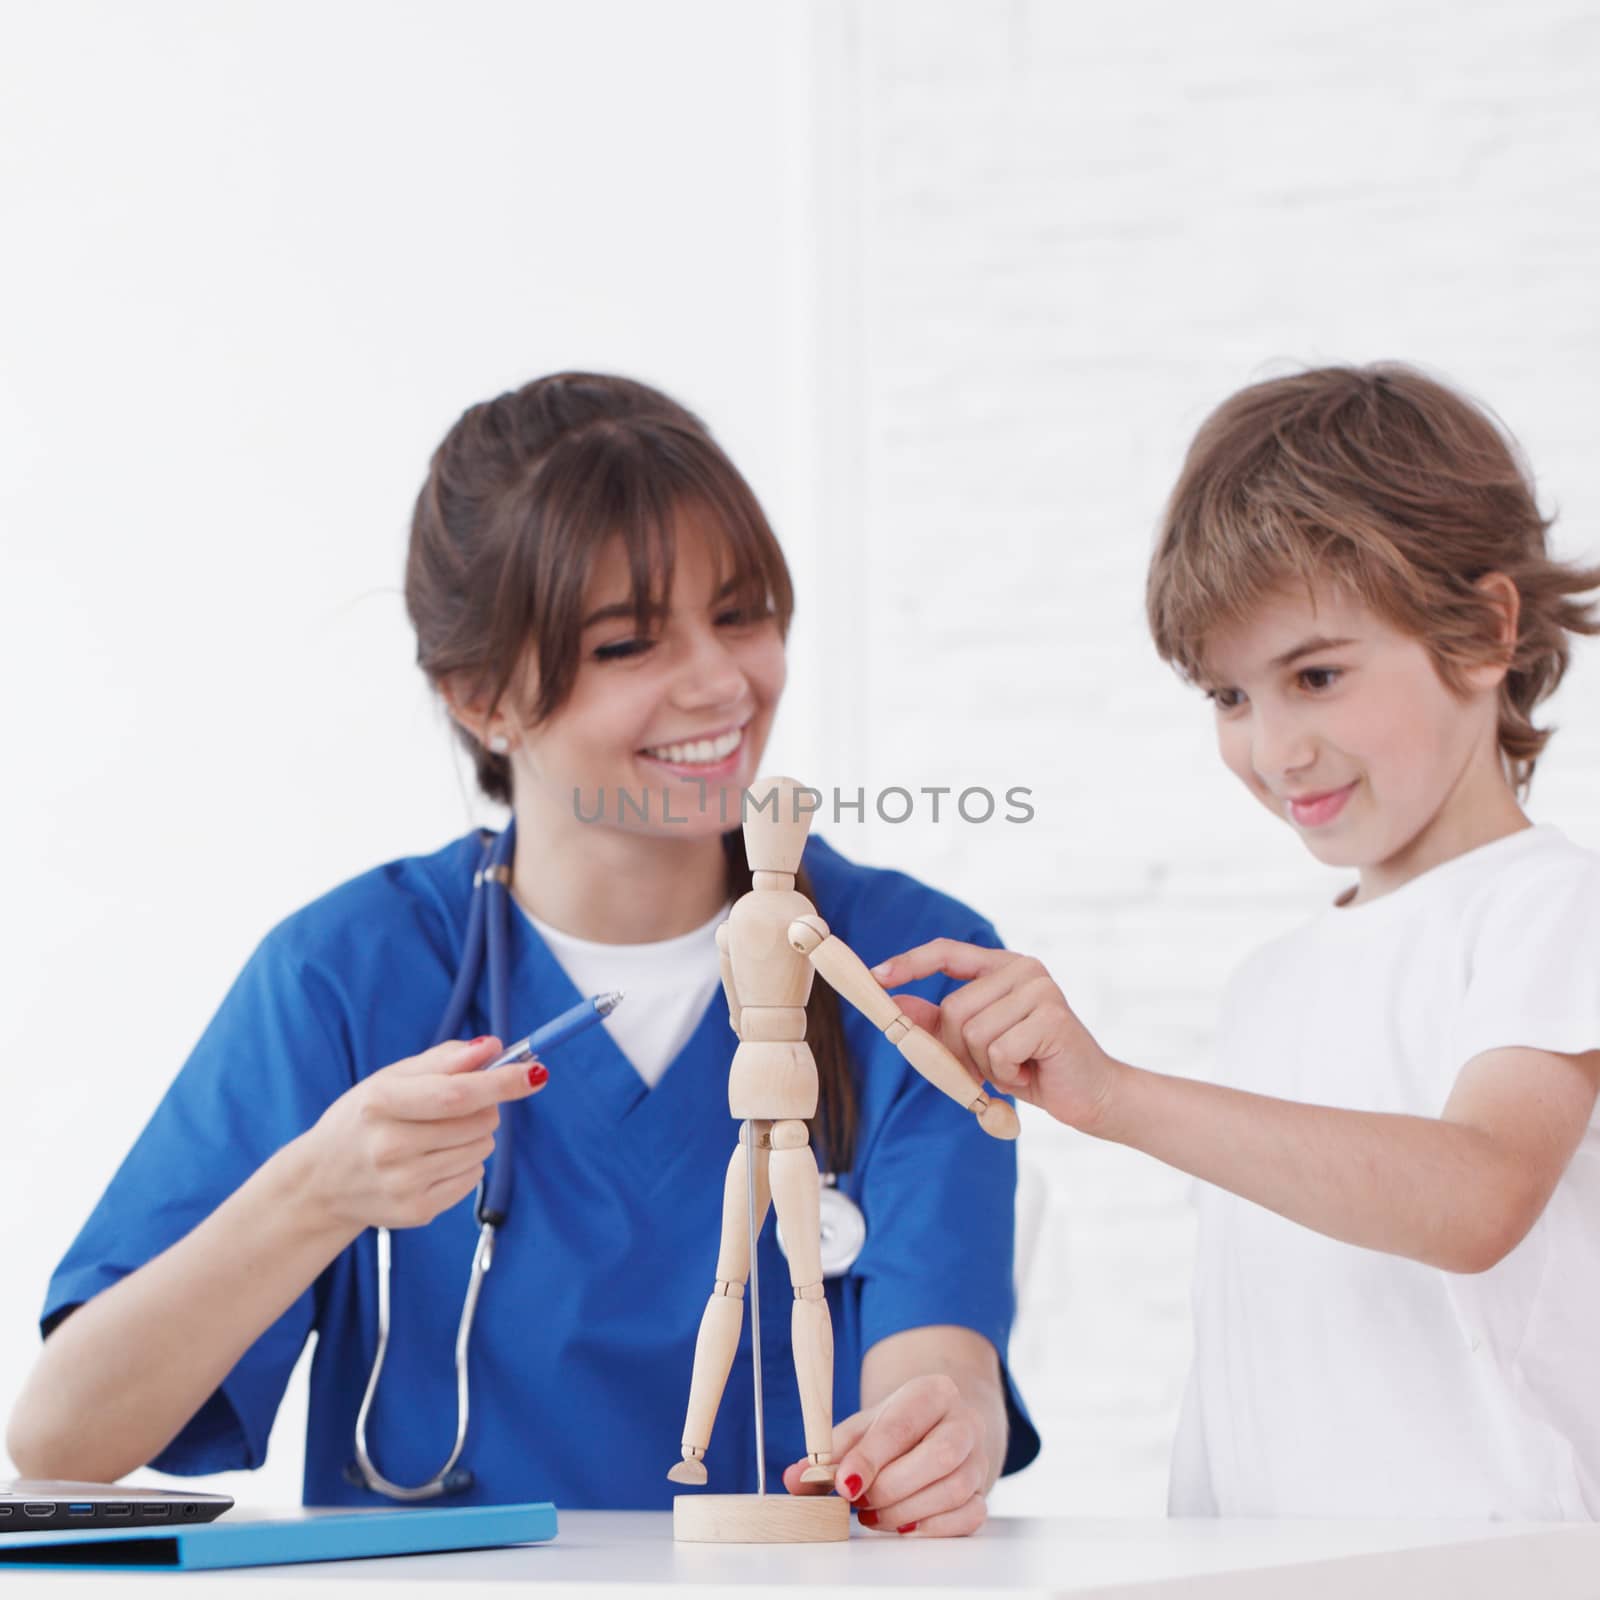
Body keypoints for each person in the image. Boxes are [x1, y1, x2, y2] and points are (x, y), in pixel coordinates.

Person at [7, 372, 1038, 1535]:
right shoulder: (348, 975)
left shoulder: (908, 958)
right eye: (628, 642)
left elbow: (939, 1365)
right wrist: (317, 1191)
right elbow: (61, 1443)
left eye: (741, 614)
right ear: (481, 696)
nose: (719, 681)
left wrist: (939, 1433)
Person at [872, 364, 1600, 1519]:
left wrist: (1114, 1094)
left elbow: (1478, 1196)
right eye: (1229, 697)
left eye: (1315, 675)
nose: (1276, 749)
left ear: (1486, 632)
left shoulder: (1552, 908)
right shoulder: (1273, 981)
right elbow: (1261, 1366)